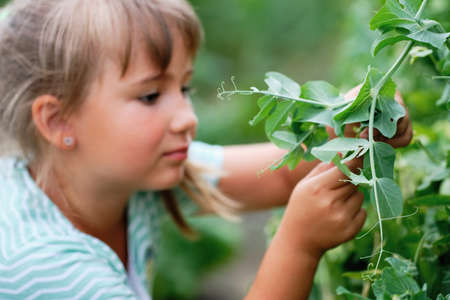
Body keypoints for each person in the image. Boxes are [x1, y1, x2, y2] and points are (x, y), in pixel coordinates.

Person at [0, 0, 413, 299]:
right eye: (149, 95)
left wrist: (355, 121)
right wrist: (298, 246)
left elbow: (284, 173)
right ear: (57, 122)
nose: (187, 117)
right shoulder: (50, 269)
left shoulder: (113, 171)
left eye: (183, 88)